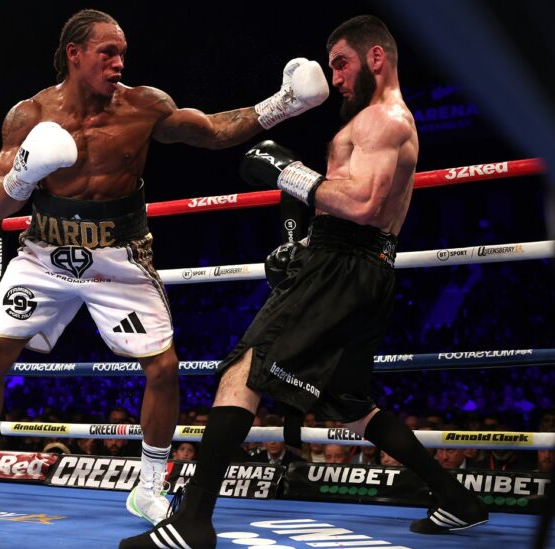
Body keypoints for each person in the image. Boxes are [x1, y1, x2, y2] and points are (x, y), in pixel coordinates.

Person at [0, 8, 329, 534]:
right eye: (107, 52)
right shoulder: (29, 114)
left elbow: (213, 132)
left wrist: (285, 103)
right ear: (74, 54)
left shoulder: (143, 105)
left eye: (122, 54)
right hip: (44, 255)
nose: (119, 63)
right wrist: (22, 174)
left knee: (164, 368)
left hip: (120, 256)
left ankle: (149, 488)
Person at [121, 15, 488, 548]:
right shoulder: (380, 119)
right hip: (359, 266)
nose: (335, 78)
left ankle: (194, 521)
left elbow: (362, 205)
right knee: (351, 405)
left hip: (342, 266)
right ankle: (456, 498)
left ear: (376, 57)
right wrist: (305, 244)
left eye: (341, 64)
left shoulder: (383, 120)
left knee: (243, 372)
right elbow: (353, 206)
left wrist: (285, 171)